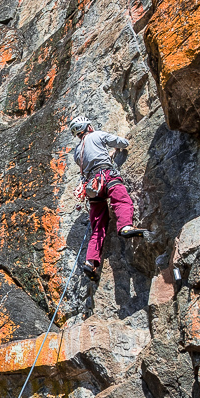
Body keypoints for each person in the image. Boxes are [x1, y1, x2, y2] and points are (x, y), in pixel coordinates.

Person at [68, 116, 145, 281]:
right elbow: (121, 143)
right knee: (121, 200)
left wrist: (107, 156)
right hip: (106, 176)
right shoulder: (97, 135)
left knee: (98, 226)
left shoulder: (76, 152)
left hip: (92, 187)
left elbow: (91, 160)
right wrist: (122, 144)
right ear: (88, 127)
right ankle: (125, 226)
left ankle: (90, 261)